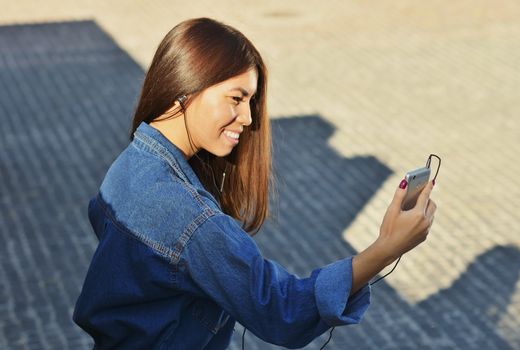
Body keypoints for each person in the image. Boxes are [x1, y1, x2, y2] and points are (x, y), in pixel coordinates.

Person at [73, 17, 437, 349]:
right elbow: (283, 313)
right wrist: (387, 247)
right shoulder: (192, 220)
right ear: (184, 87)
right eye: (236, 98)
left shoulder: (132, 162)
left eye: (251, 101)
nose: (247, 117)